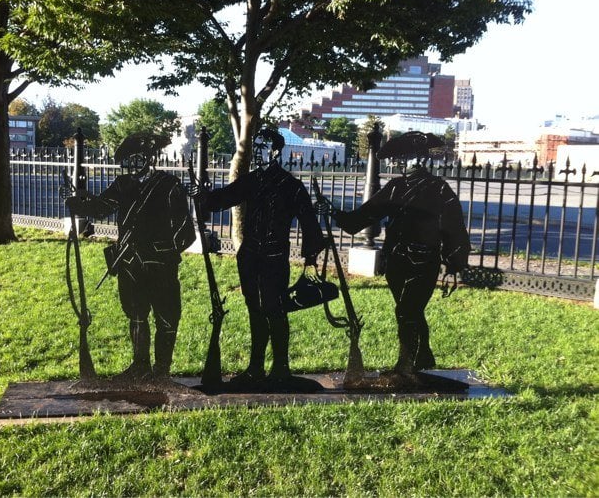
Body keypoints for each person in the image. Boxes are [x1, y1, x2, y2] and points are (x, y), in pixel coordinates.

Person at [328, 131, 470, 375]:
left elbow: (454, 227)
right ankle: (421, 356)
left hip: (424, 261)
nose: (401, 163)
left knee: (407, 311)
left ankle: (407, 364)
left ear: (421, 158)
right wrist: (334, 213)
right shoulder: (396, 187)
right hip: (396, 261)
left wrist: (454, 260)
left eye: (407, 157)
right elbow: (366, 215)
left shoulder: (439, 189)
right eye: (400, 158)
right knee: (409, 310)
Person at [199, 128, 324, 387]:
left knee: (275, 310)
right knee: (254, 310)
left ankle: (281, 368)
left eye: (262, 147)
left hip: (274, 258)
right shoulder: (251, 180)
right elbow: (223, 198)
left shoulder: (290, 185)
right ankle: (255, 368)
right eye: (255, 147)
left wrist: (311, 254)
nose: (257, 152)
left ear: (276, 151)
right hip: (250, 256)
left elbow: (309, 221)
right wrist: (203, 197)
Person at [66, 133, 196, 383]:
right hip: (129, 262)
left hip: (161, 264)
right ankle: (140, 367)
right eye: (128, 160)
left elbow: (185, 230)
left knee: (166, 317)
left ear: (149, 158)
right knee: (136, 314)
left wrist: (165, 253)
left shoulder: (169, 185)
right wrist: (77, 203)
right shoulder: (122, 184)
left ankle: (162, 371)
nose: (133, 164)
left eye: (137, 158)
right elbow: (101, 208)